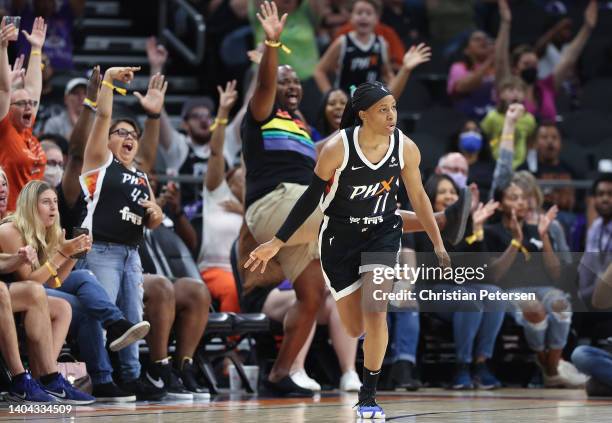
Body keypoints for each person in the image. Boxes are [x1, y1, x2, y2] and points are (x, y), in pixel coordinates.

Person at [246, 77, 448, 418]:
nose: (391, 115)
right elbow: (311, 197)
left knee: (376, 307)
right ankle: (360, 351)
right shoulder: (337, 148)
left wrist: (438, 242)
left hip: (382, 231)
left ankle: (368, 396)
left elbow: (418, 197)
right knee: (355, 327)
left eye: (394, 108)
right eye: (383, 110)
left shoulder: (405, 147)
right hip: (339, 238)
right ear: (363, 114)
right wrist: (277, 242)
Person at [79, 66, 165, 395]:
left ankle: (130, 377)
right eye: (121, 133)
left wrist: (156, 214)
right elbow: (102, 118)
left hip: (132, 253)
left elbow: (151, 219)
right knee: (102, 319)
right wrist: (110, 84)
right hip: (100, 249)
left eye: (132, 134)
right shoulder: (99, 165)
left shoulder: (141, 176)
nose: (128, 138)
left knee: (133, 319)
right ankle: (102, 378)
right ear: (107, 140)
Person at [412, 174, 503, 390]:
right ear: (431, 197)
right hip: (430, 289)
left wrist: (477, 229)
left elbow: (482, 271)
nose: (449, 196)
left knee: (496, 294)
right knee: (470, 300)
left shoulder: (466, 224)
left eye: (452, 192)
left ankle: (481, 364)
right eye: (442, 192)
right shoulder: (420, 222)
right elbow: (437, 268)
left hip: (460, 287)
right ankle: (462, 366)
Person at [494, 0, 597, 122]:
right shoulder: (508, 88)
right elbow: (500, 60)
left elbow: (568, 60)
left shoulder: (546, 86)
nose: (531, 67)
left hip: (546, 138)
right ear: (515, 68)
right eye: (526, 64)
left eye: (534, 64)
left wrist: (587, 29)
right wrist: (505, 23)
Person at [314, 0, 431, 98]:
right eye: (359, 13)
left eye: (368, 13)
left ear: (377, 19)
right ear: (351, 17)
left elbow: (387, 74)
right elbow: (319, 71)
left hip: (370, 103)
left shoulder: (382, 44)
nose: (364, 17)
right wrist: (330, 94)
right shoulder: (342, 42)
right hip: (346, 102)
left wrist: (390, 92)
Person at [0, 17, 47, 212]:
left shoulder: (27, 133)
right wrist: (2, 48)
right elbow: (3, 89)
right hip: (9, 218)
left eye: (31, 104)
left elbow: (34, 89)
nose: (30, 106)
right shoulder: (5, 130)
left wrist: (36, 50)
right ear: (8, 109)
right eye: (22, 103)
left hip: (32, 219)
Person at [480, 76, 536, 169]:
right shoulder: (492, 117)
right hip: (495, 161)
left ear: (524, 95)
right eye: (511, 90)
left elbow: (530, 141)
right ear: (501, 94)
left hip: (520, 163)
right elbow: (486, 138)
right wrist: (496, 142)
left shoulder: (529, 119)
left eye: (519, 90)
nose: (515, 93)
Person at [446, 29, 494, 119]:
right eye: (477, 39)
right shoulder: (459, 67)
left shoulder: (495, 68)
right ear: (466, 50)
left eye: (485, 39)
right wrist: (490, 60)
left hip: (492, 115)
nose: (483, 42)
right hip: (466, 117)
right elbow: (462, 88)